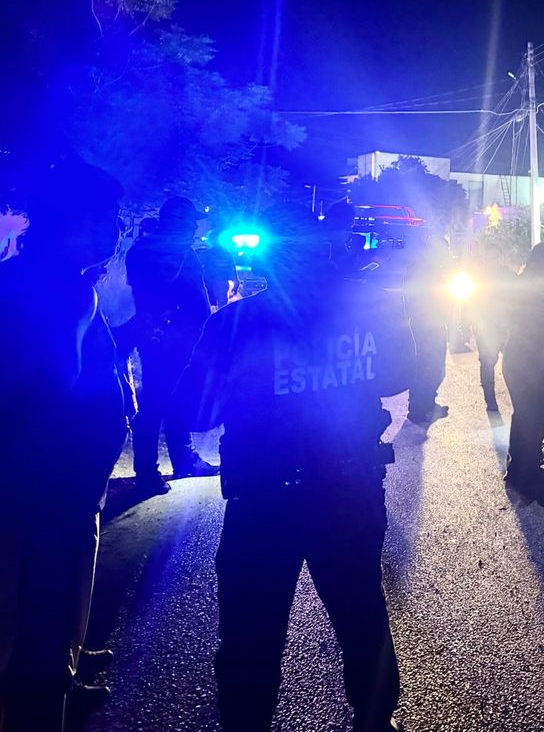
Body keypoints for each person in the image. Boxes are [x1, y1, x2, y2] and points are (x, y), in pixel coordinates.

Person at [174, 203, 414, 732]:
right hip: (349, 490)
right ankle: (376, 719)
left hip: (265, 502)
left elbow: (194, 412)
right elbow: (402, 375)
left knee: (251, 635)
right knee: (361, 613)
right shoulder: (370, 310)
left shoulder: (235, 325)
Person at [0, 153, 130, 730]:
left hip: (58, 495)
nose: (116, 229)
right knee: (37, 630)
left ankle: (59, 674)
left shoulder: (49, 281)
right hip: (44, 502)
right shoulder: (58, 293)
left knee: (44, 623)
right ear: (70, 221)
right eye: (105, 216)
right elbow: (49, 394)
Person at [125, 195, 218, 494]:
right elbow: (158, 293)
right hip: (166, 339)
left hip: (180, 338)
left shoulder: (163, 249)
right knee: (155, 402)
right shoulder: (161, 251)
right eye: (188, 223)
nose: (193, 229)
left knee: (178, 398)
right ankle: (146, 472)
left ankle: (183, 459)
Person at [503, 243, 544, 493]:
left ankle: (518, 468)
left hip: (516, 355)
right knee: (537, 413)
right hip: (539, 358)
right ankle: (527, 471)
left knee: (523, 413)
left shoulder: (520, 283)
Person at [406, 226, 452, 425]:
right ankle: (420, 408)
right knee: (429, 368)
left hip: (432, 322)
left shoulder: (431, 269)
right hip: (428, 325)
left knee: (431, 367)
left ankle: (426, 404)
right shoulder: (425, 271)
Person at [469, 242, 515, 413]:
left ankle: (518, 398)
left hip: (507, 327)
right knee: (487, 363)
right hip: (486, 329)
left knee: (513, 363)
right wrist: (471, 324)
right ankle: (490, 402)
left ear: (501, 258)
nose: (492, 261)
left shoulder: (510, 276)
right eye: (488, 258)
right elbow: (470, 302)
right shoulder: (478, 277)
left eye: (495, 257)